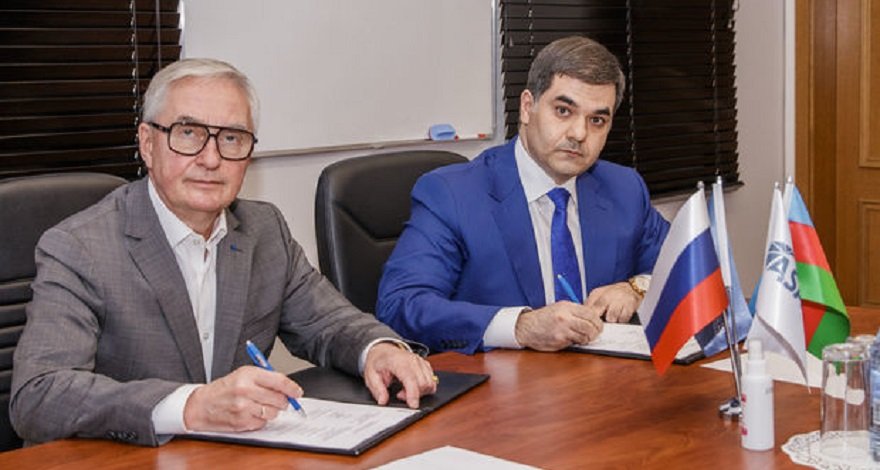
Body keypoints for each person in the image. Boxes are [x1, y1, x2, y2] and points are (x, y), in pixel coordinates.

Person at [10, 58, 436, 446]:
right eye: (188, 133)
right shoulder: (80, 246)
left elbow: (328, 322)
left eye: (231, 138)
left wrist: (377, 349)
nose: (211, 158)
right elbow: (39, 394)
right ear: (147, 143)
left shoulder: (263, 229)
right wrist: (190, 406)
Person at [377, 36, 670, 355]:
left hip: (601, 379)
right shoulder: (452, 195)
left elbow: (691, 267)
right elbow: (401, 304)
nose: (579, 134)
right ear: (528, 107)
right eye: (563, 111)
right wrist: (520, 326)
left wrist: (636, 288)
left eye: (597, 120)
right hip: (502, 381)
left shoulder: (623, 188)